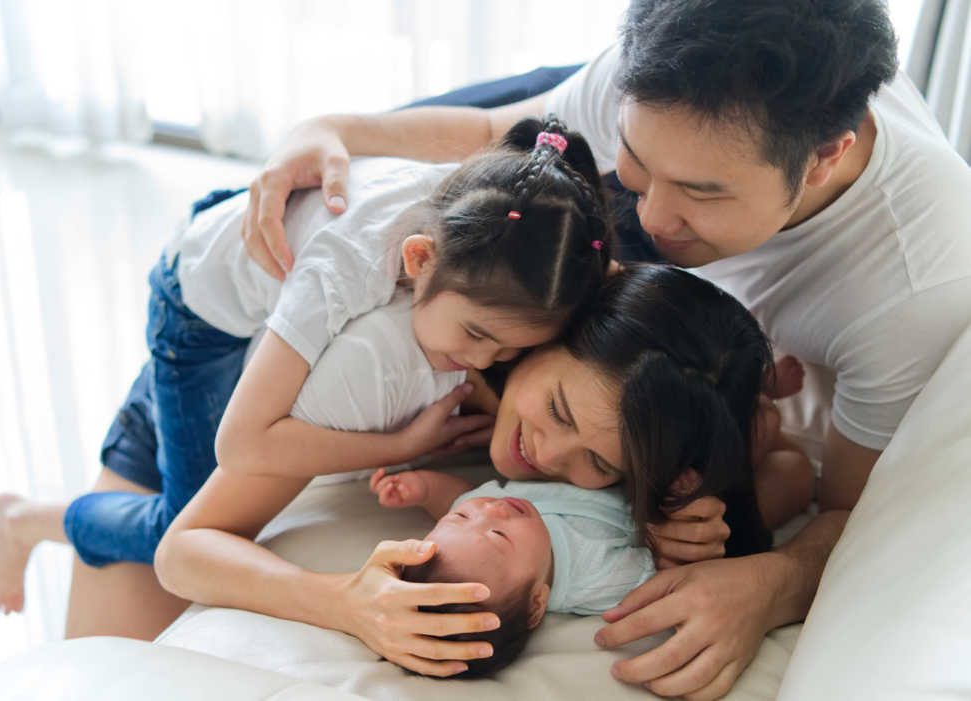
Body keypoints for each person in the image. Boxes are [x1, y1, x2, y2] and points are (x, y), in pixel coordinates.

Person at [237, 1, 971, 696]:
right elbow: (496, 131)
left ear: (824, 158)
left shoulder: (911, 292)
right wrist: (330, 126)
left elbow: (843, 506)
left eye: (701, 192)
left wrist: (770, 583)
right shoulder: (660, 81)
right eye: (637, 162)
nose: (649, 216)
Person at [0, 115, 617, 636]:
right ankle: (26, 520)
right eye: (475, 337)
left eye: (507, 353)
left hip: (275, 243)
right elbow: (240, 444)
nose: (481, 365)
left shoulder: (505, 222)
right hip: (196, 305)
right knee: (176, 517)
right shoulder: (341, 271)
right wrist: (399, 444)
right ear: (419, 259)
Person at [155, 264, 808, 677]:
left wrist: (685, 523)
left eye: (599, 462)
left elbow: (790, 466)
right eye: (557, 409)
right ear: (558, 328)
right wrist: (346, 601)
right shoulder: (385, 369)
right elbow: (182, 550)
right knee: (148, 528)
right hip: (214, 346)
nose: (548, 457)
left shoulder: (650, 407)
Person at [373, 469, 657, 678]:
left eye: (460, 516)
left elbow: (462, 496)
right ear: (536, 603)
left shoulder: (488, 514)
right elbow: (663, 565)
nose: (491, 508)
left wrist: (427, 490)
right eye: (499, 534)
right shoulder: (595, 576)